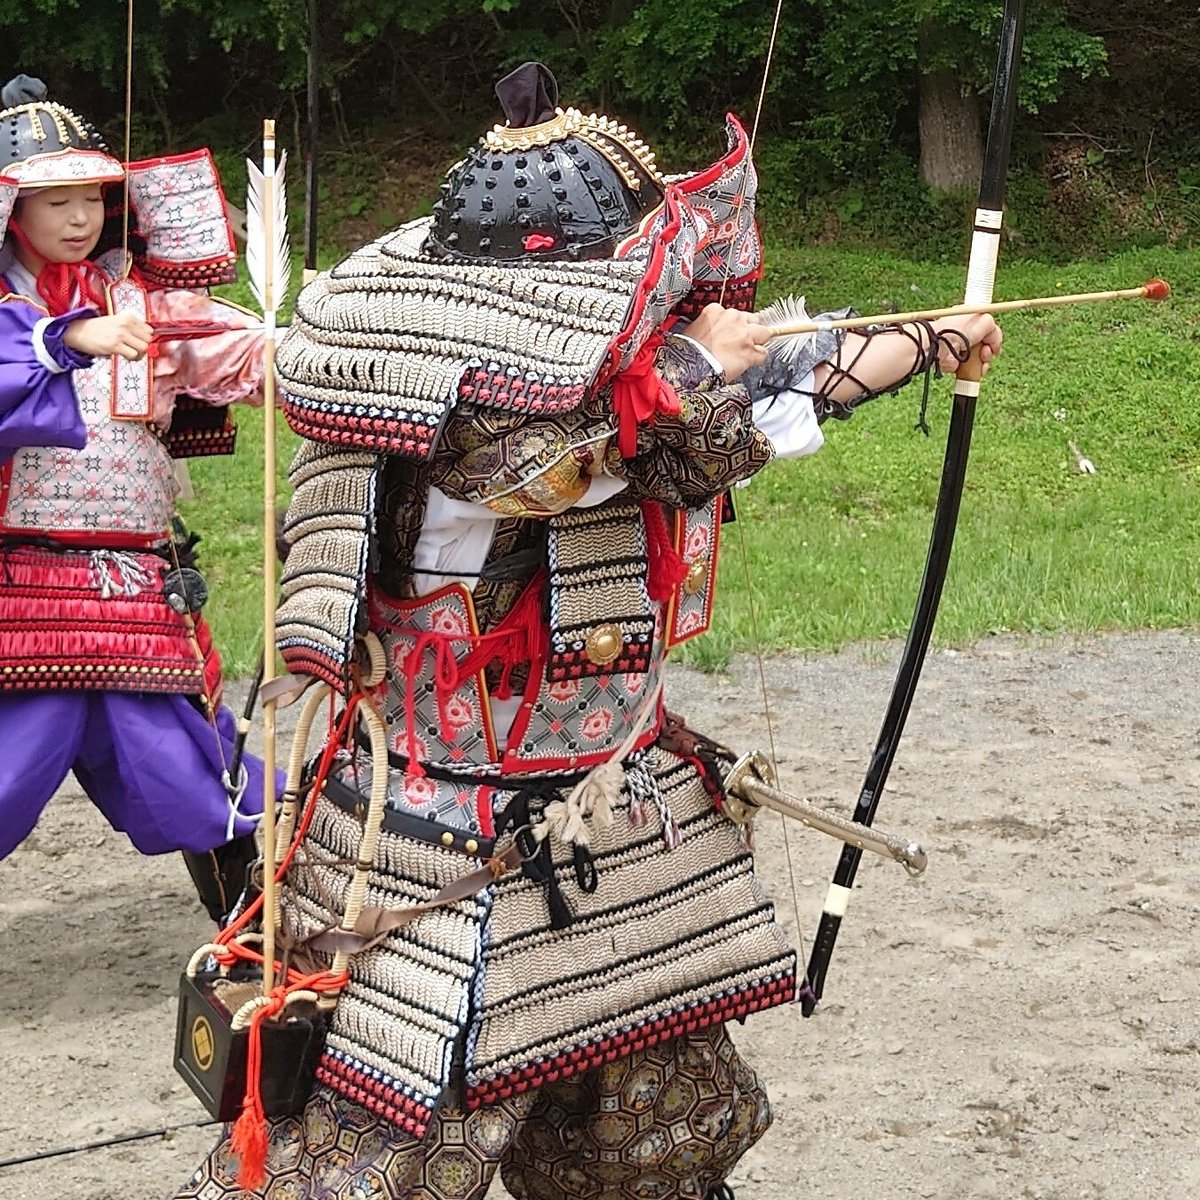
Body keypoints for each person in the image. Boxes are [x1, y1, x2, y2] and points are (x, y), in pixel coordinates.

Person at [176, 62, 1000, 1200]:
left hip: (609, 827)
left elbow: (778, 389)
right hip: (444, 848)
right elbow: (579, 459)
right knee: (364, 1158)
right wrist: (708, 360)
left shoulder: (611, 391)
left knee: (644, 1146)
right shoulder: (460, 414)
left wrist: (929, 337)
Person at [0, 74, 270, 922]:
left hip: (134, 586)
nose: (79, 218)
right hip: (17, 585)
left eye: (91, 198)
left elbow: (229, 353)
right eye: (56, 202)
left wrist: (295, 354)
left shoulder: (141, 300)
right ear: (11, 210)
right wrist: (71, 336)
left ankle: (249, 939)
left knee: (190, 770)